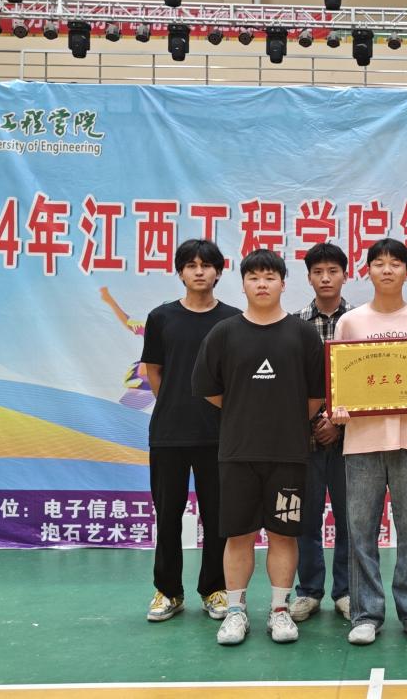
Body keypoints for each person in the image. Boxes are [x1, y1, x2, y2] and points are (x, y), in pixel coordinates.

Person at [191, 248, 326, 645]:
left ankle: (280, 611)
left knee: (284, 535)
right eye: (254, 277)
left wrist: (284, 419)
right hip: (238, 453)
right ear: (243, 284)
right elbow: (209, 389)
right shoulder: (224, 333)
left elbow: (315, 396)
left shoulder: (302, 334)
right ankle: (236, 612)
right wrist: (245, 410)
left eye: (270, 277)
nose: (262, 284)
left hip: (289, 454)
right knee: (239, 535)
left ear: (283, 284)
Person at [330, 238, 407, 645]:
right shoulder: (351, 322)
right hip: (360, 442)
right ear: (367, 271)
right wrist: (340, 409)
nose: (386, 269)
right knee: (360, 530)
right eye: (378, 262)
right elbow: (341, 381)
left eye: (395, 263)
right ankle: (366, 614)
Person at [140, 239, 240, 623]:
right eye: (191, 265)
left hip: (219, 435)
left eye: (206, 265)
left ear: (219, 272)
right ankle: (168, 592)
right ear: (180, 272)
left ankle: (214, 589)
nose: (199, 271)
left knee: (217, 516)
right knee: (167, 515)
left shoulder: (232, 320)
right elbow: (154, 370)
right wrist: (175, 403)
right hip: (169, 434)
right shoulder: (161, 317)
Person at [290, 243, 354, 624]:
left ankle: (345, 592)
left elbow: (366, 381)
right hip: (305, 439)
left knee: (350, 521)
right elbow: (290, 383)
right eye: (318, 272)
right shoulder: (294, 323)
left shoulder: (360, 321)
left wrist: (338, 421)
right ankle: (309, 592)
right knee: (305, 521)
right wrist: (317, 419)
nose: (326, 278)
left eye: (333, 271)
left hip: (351, 441)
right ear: (309, 277)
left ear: (346, 275)